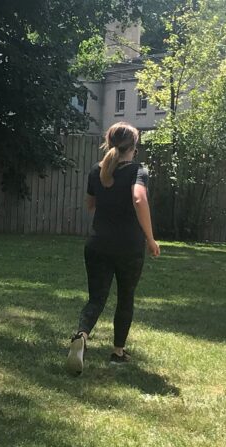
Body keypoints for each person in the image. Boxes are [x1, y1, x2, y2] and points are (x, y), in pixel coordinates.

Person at [66, 122, 160, 376]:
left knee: (96, 298)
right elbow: (139, 198)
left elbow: (90, 204)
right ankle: (118, 351)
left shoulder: (97, 171)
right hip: (128, 246)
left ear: (109, 143)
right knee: (125, 297)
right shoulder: (138, 170)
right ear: (134, 147)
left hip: (97, 244)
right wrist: (150, 239)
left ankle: (82, 335)